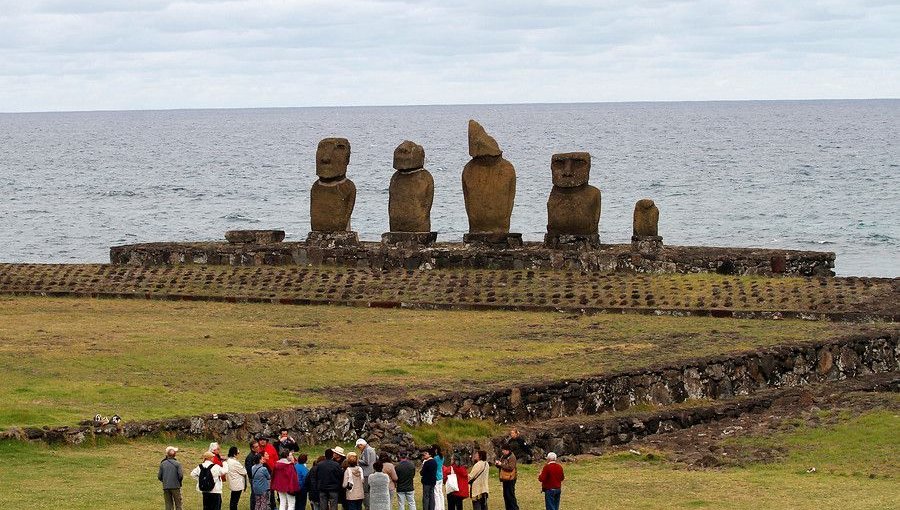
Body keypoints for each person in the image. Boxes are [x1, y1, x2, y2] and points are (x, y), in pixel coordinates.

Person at [158, 446, 184, 510]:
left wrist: (165, 480)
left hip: (166, 486)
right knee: (178, 504)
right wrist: (178, 482)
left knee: (168, 504)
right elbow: (180, 475)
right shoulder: (178, 464)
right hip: (176, 486)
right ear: (175, 455)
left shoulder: (162, 464)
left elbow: (159, 476)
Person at [494, 444, 518, 510]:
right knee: (506, 495)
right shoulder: (503, 456)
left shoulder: (512, 457)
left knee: (510, 495)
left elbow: (511, 467)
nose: (502, 451)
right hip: (505, 478)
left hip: (511, 478)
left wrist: (501, 464)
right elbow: (501, 466)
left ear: (507, 450)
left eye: (503, 450)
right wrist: (497, 464)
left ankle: (514, 508)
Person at [356, 439, 377, 510]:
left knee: (366, 492)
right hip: (372, 472)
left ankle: (368, 507)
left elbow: (366, 462)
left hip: (366, 474)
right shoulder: (372, 449)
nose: (359, 449)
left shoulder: (366, 450)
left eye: (359, 447)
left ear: (361, 445)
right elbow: (376, 458)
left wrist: (357, 460)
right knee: (370, 491)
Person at [431, 445, 444, 510]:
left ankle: (437, 508)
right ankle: (442, 507)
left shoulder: (435, 458)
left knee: (436, 493)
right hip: (441, 476)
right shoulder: (442, 457)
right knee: (440, 492)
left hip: (436, 476)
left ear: (436, 450)